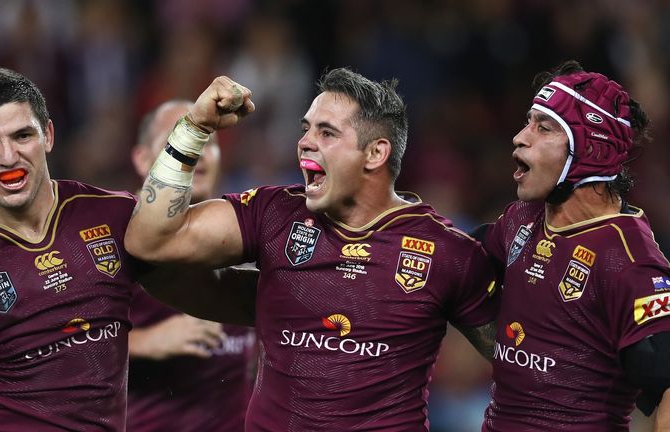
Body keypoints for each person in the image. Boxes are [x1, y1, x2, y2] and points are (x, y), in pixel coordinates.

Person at [125, 68, 499, 430]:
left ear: (375, 153)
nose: (305, 141)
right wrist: (194, 128)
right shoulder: (274, 214)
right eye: (305, 129)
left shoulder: (446, 252)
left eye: (327, 132)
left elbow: (523, 364)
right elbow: (150, 240)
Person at [0, 68, 257, 431]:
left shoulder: (115, 217)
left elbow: (218, 290)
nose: (7, 157)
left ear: (49, 135)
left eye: (23, 135)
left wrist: (304, 295)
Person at [476, 60, 670, 431]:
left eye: (543, 127)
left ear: (591, 150)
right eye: (527, 122)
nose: (520, 137)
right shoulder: (521, 219)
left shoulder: (629, 260)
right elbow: (456, 268)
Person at [127, 100, 255, 431]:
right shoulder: (115, 237)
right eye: (179, 141)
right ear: (143, 159)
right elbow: (57, 341)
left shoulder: (246, 230)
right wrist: (144, 341)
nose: (196, 152)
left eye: (207, 141)